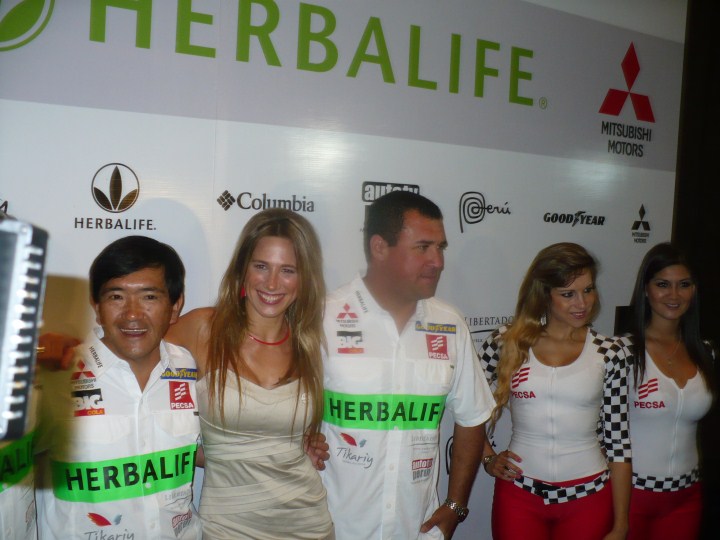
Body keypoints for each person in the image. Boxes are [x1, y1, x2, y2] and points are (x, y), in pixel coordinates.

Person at [320, 191, 495, 539]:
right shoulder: (323, 316)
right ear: (379, 247)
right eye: (423, 247)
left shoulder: (450, 323)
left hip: (417, 528)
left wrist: (455, 506)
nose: (438, 261)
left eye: (440, 248)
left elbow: (473, 417)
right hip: (333, 528)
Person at [166, 208, 333, 539]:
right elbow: (132, 374)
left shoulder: (308, 341)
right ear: (242, 269)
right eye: (261, 266)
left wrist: (303, 441)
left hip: (308, 523)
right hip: (227, 526)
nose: (272, 283)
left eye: (288, 270)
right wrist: (198, 454)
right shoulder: (203, 329)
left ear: (305, 279)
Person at [34, 236, 203, 539]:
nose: (132, 314)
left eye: (149, 297)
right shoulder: (58, 373)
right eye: (116, 297)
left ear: (175, 306)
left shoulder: (191, 368)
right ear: (97, 306)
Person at [477, 242, 632, 540]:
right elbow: (468, 409)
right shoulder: (505, 342)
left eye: (588, 290)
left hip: (588, 496)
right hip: (519, 494)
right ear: (544, 294)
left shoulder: (610, 352)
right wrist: (487, 458)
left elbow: (619, 442)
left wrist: (621, 525)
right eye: (568, 294)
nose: (582, 303)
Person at [624, 243, 716, 540]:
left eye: (684, 285)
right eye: (663, 284)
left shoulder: (706, 353)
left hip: (686, 497)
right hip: (630, 496)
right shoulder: (621, 351)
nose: (674, 295)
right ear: (645, 289)